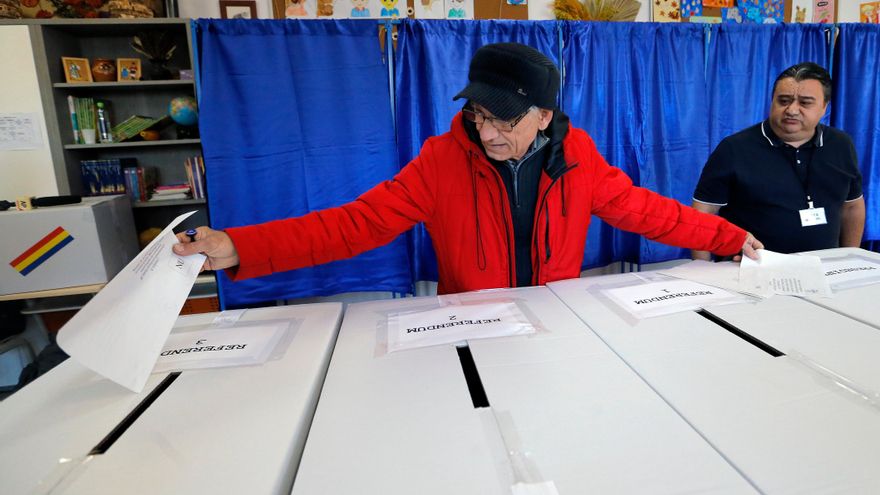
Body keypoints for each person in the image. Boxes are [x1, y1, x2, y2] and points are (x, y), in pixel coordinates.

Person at [174, 43, 762, 295]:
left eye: (504, 121)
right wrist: (240, 246)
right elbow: (355, 225)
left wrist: (731, 239)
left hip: (558, 320)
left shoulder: (578, 158)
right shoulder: (440, 162)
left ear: (543, 115)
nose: (486, 133)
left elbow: (648, 213)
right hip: (470, 326)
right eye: (479, 114)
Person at [691, 62, 865, 260]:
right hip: (751, 269)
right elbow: (703, 214)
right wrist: (703, 269)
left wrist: (850, 258)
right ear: (771, 101)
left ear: (824, 107)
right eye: (783, 101)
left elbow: (852, 206)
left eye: (805, 103)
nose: (791, 110)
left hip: (826, 267)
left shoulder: (841, 144)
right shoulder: (734, 149)